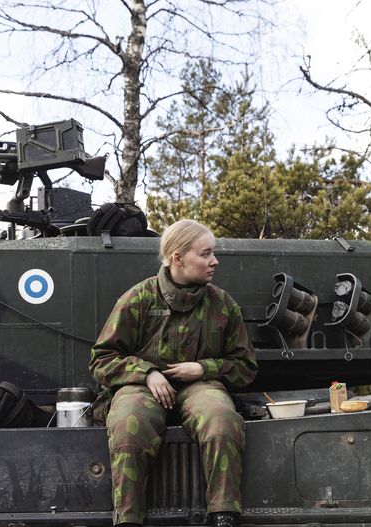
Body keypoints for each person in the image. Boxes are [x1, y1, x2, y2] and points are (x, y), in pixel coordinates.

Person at [90, 219, 258, 527]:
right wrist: (147, 372)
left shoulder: (222, 304)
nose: (214, 261)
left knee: (221, 417)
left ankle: (224, 513)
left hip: (200, 386)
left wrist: (204, 368)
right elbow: (102, 359)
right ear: (178, 258)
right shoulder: (139, 299)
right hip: (142, 386)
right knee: (129, 424)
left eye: (213, 253)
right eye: (205, 254)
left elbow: (245, 366)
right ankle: (128, 519)